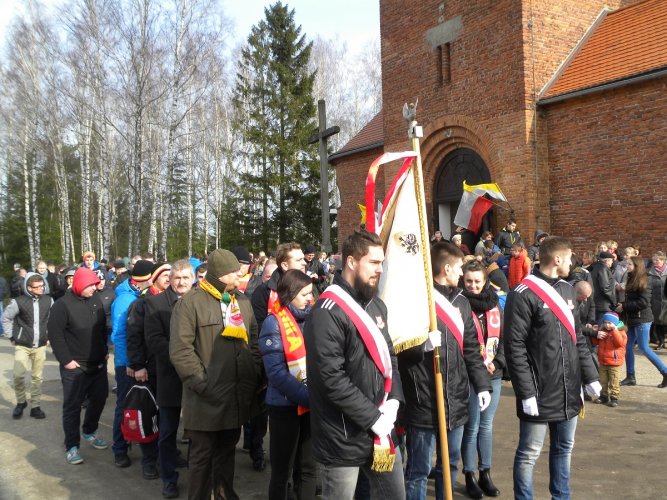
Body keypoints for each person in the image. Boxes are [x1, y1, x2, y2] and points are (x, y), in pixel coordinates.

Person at [304, 230, 405, 500]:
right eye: (373, 262)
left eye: (381, 263)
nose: (380, 270)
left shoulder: (377, 306)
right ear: (351, 261)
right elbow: (331, 378)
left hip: (381, 429)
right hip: (342, 436)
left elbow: (390, 357)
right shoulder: (326, 312)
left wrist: (394, 400)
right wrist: (373, 418)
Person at [504, 236, 600, 500]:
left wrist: (590, 376)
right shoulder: (522, 294)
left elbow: (577, 338)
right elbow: (514, 347)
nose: (572, 263)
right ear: (557, 259)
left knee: (564, 448)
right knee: (529, 453)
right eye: (569, 258)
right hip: (539, 389)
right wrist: (526, 392)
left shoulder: (568, 290)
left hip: (569, 387)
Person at [398, 242, 490, 500]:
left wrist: (482, 384)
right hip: (424, 399)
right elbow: (399, 351)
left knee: (449, 466)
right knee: (418, 470)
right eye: (459, 268)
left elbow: (470, 348)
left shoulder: (462, 301)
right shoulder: (418, 300)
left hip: (456, 399)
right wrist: (422, 347)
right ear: (447, 268)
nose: (462, 273)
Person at [170, 249, 262, 500]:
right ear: (221, 275)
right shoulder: (190, 303)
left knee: (226, 455)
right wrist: (204, 385)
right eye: (235, 272)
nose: (240, 275)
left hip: (236, 397)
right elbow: (181, 352)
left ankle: (224, 495)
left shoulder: (242, 301)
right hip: (205, 400)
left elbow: (254, 342)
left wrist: (253, 374)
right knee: (202, 459)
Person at [249, 242, 306, 470]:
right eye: (298, 259)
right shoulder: (264, 293)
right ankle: (256, 450)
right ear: (284, 265)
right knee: (262, 417)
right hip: (271, 366)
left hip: (301, 371)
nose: (304, 262)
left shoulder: (307, 288)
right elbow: (257, 330)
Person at [260, 270, 316, 500]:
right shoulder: (273, 322)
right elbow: (275, 372)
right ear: (290, 294)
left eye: (311, 293)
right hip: (284, 407)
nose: (310, 299)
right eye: (305, 294)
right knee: (282, 471)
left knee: (309, 469)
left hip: (311, 407)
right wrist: (308, 396)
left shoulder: (313, 318)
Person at [48, 268, 109, 465]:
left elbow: (101, 328)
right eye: (91, 285)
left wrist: (104, 349)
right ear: (80, 284)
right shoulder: (62, 305)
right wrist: (66, 360)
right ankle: (72, 446)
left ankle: (89, 431)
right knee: (72, 406)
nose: (95, 288)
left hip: (97, 364)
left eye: (96, 284)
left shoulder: (95, 300)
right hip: (75, 367)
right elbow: (55, 335)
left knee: (99, 399)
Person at [144, 259, 194, 499]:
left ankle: (197, 477)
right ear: (170, 279)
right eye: (177, 277)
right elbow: (154, 340)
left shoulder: (201, 301)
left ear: (193, 279)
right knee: (167, 432)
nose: (181, 282)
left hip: (197, 376)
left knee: (198, 433)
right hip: (169, 376)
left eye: (186, 278)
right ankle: (169, 479)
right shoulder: (155, 304)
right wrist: (182, 356)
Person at [460, 260, 505, 499]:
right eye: (469, 281)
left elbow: (505, 339)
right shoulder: (458, 304)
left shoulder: (495, 304)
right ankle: (469, 474)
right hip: (470, 375)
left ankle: (485, 473)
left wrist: (498, 362)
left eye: (477, 281)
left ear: (485, 281)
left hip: (492, 373)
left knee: (486, 426)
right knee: (472, 426)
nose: (473, 285)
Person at [110, 260, 156, 470]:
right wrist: (130, 363)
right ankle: (119, 448)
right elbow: (120, 335)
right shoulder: (125, 300)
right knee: (125, 405)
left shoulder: (139, 295)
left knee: (142, 405)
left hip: (136, 360)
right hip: (126, 364)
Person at [3, 273, 53, 419]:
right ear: (29, 288)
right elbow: (6, 318)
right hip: (22, 345)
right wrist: (11, 336)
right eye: (37, 287)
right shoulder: (18, 302)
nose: (41, 288)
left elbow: (52, 320)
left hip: (41, 345)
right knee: (18, 375)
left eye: (42, 286)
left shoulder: (49, 300)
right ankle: (21, 402)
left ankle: (35, 406)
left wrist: (49, 336)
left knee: (37, 377)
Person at [617, 256, 667, 388]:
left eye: (629, 264)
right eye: (627, 264)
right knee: (628, 347)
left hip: (643, 319)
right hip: (632, 319)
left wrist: (624, 306)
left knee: (644, 348)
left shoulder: (646, 280)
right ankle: (630, 376)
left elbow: (643, 302)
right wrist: (621, 305)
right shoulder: (631, 277)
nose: (627, 266)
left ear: (637, 266)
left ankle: (665, 371)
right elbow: (631, 299)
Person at [592, 312, 627, 407]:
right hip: (603, 361)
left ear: (615, 323)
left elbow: (620, 343)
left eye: (610, 323)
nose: (607, 325)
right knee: (602, 380)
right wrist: (595, 333)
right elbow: (595, 342)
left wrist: (615, 331)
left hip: (614, 362)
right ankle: (603, 396)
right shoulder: (603, 330)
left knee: (614, 381)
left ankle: (614, 397)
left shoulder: (621, 332)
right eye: (605, 322)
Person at [590, 251, 617, 323]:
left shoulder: (596, 267)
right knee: (603, 326)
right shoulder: (603, 269)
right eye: (611, 260)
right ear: (607, 261)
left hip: (599, 303)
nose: (612, 262)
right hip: (604, 304)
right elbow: (605, 287)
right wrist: (614, 301)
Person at [647, 251, 667, 350]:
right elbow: (648, 289)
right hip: (655, 302)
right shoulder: (649, 273)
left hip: (666, 301)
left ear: (663, 260)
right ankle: (661, 342)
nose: (654, 262)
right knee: (658, 322)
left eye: (657, 260)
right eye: (653, 260)